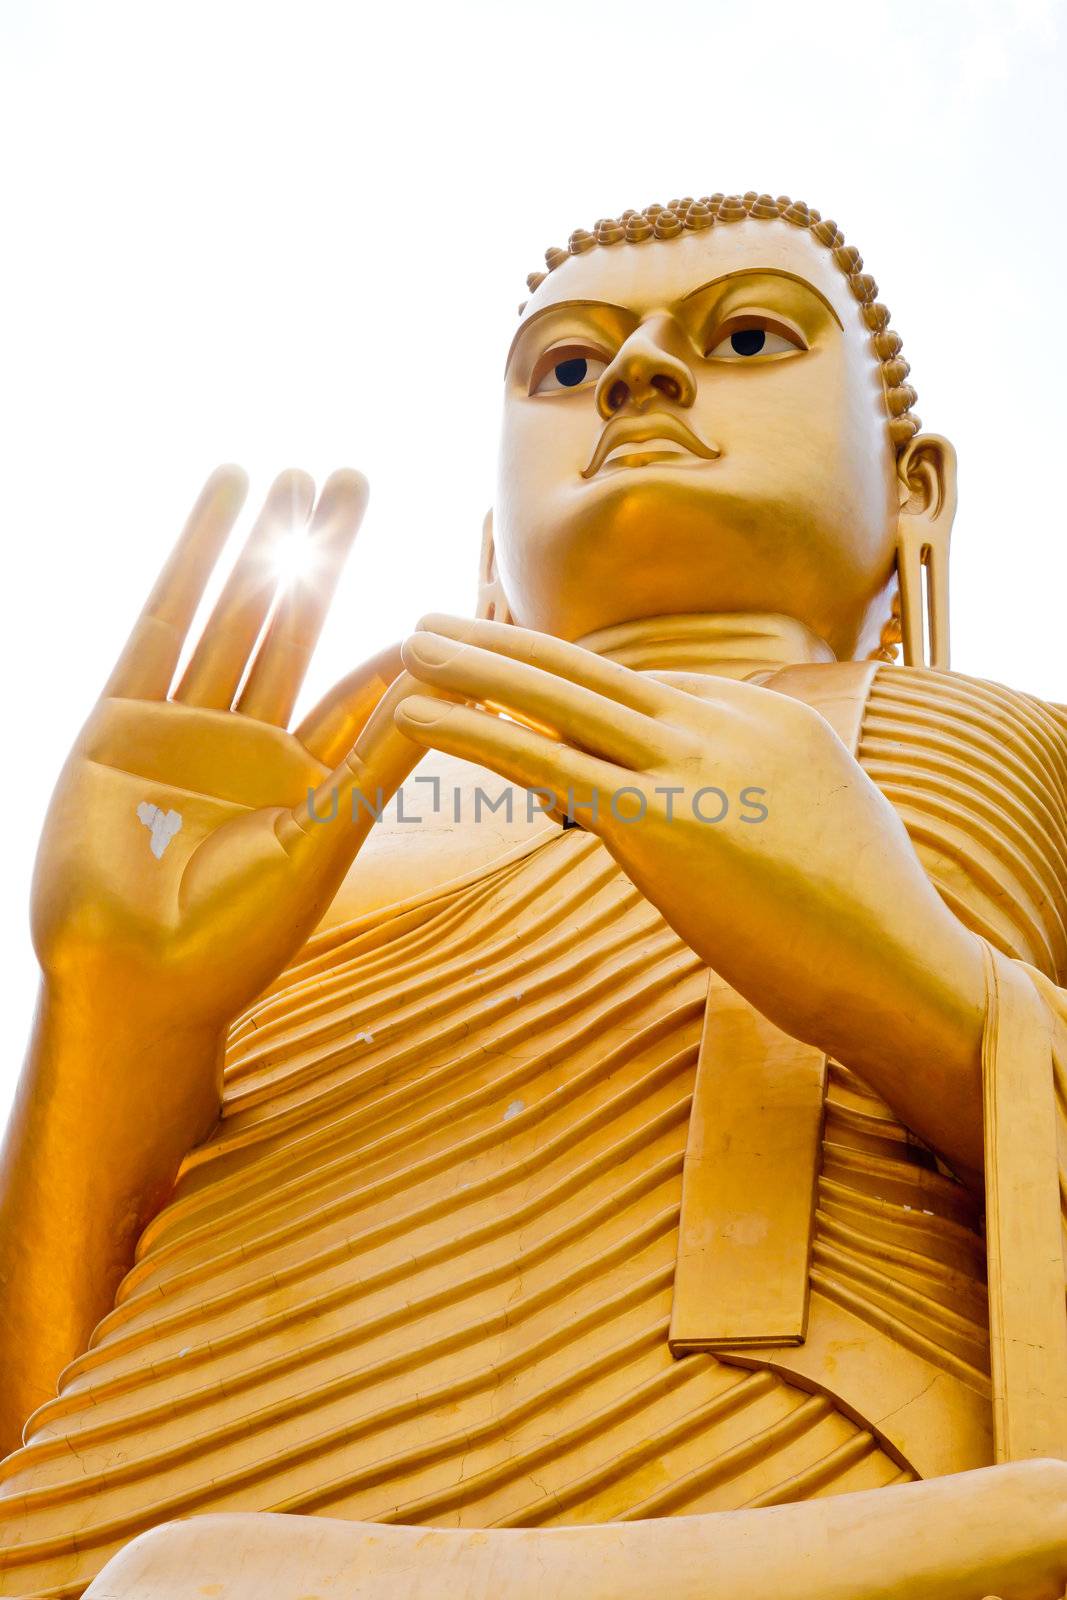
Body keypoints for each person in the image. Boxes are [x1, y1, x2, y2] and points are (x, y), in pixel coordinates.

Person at [3, 191, 1067, 1600]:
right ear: (491, 551)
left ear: (917, 488)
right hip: (117, 1532)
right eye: (566, 367)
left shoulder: (1013, 744)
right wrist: (112, 1026)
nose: (638, 376)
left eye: (749, 336)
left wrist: (916, 980)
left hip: (772, 1502)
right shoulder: (307, 809)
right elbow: (49, 1397)